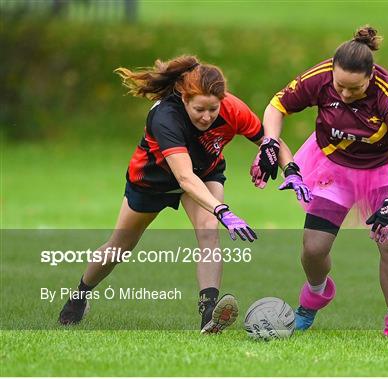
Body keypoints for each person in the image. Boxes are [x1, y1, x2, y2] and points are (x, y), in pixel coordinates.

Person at [58, 55, 297, 333]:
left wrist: (291, 169)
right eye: (199, 109)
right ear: (184, 99)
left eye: (213, 109)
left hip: (205, 171)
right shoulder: (165, 117)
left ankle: (209, 312)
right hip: (154, 180)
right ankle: (81, 293)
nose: (207, 117)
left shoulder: (233, 109)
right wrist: (223, 211)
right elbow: (184, 178)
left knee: (209, 232)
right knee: (119, 247)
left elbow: (272, 141)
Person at [251, 26, 388, 337]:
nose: (346, 95)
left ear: (370, 75)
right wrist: (270, 142)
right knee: (313, 247)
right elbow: (276, 105)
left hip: (386, 170)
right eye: (340, 87)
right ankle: (317, 292)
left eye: (355, 89)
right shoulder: (320, 77)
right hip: (334, 166)